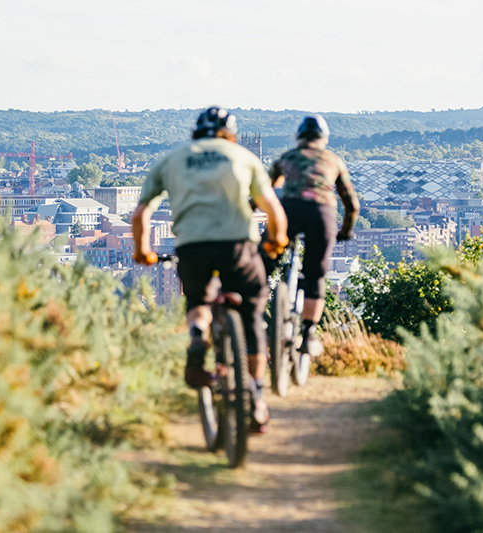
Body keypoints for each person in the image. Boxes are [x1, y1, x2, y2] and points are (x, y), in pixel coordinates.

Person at [132, 106, 287, 433]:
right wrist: (276, 241)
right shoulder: (241, 156)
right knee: (253, 315)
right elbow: (273, 209)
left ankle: (197, 337)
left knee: (198, 303)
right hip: (237, 246)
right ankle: (256, 398)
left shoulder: (172, 159)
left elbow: (140, 215)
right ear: (229, 134)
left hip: (192, 246)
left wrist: (142, 251)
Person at [265, 114, 360, 356]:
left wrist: (249, 212)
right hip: (321, 214)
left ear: (298, 138)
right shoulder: (333, 161)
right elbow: (351, 204)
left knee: (263, 261)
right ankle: (308, 334)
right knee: (315, 274)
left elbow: (265, 190)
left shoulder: (287, 158)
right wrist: (345, 231)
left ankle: (255, 305)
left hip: (290, 211)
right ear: (324, 139)